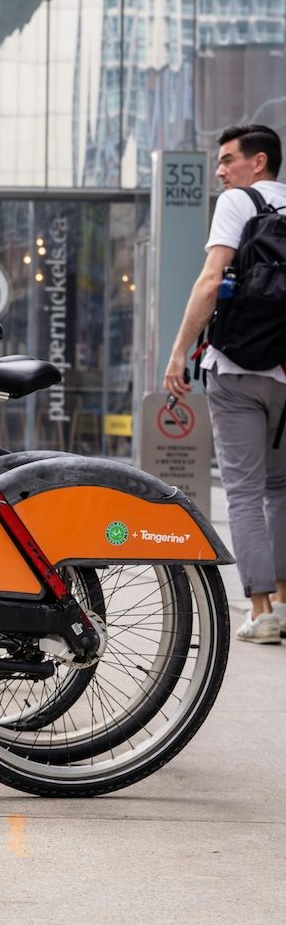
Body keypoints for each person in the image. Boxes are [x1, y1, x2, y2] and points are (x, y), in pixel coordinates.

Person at [165, 123, 286, 641]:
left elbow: (211, 280)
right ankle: (283, 600)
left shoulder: (238, 204)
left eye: (228, 160)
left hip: (235, 370)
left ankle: (260, 612)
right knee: (281, 490)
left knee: (243, 492)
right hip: (285, 375)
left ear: (258, 162)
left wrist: (177, 354)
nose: (220, 171)